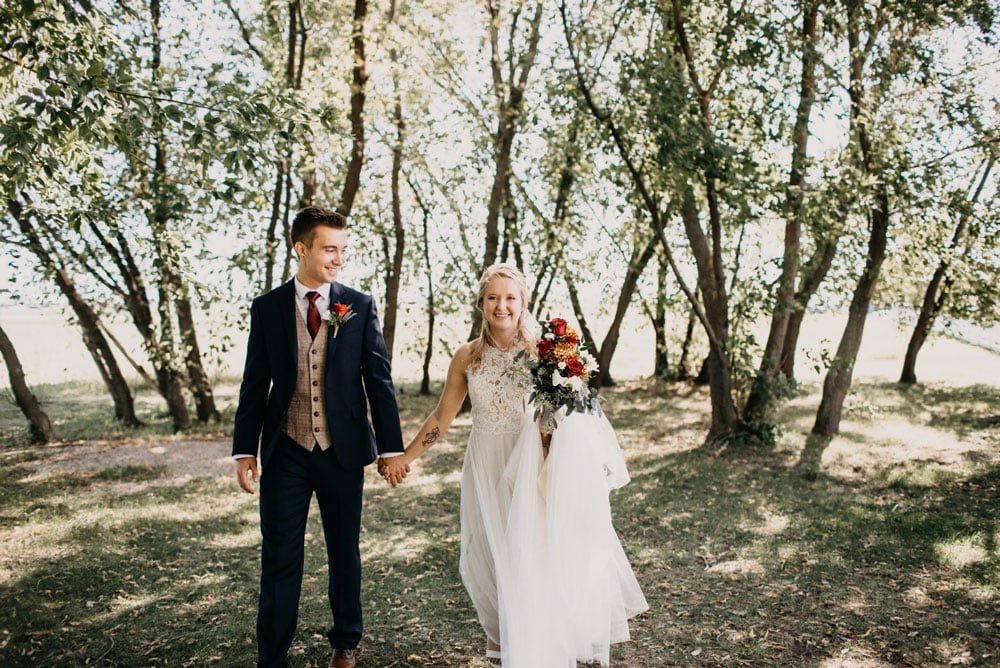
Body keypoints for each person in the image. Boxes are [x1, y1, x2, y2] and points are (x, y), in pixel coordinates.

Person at [381, 263, 647, 667]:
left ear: (523, 303)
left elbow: (569, 416)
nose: (501, 306)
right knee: (489, 559)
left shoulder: (546, 352)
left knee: (532, 558)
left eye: (510, 298)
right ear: (481, 303)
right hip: (485, 465)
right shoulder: (467, 356)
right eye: (493, 298)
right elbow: (441, 417)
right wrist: (405, 457)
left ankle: (539, 649)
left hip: (531, 468)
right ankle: (505, 650)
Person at [232, 206, 408, 668]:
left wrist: (391, 448)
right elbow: (255, 383)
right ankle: (272, 656)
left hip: (342, 451)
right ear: (301, 248)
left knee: (344, 552)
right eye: (329, 249)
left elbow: (379, 380)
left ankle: (345, 640)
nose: (338, 258)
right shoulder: (267, 308)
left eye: (343, 250)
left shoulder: (359, 304)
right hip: (286, 449)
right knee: (280, 557)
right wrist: (244, 450)